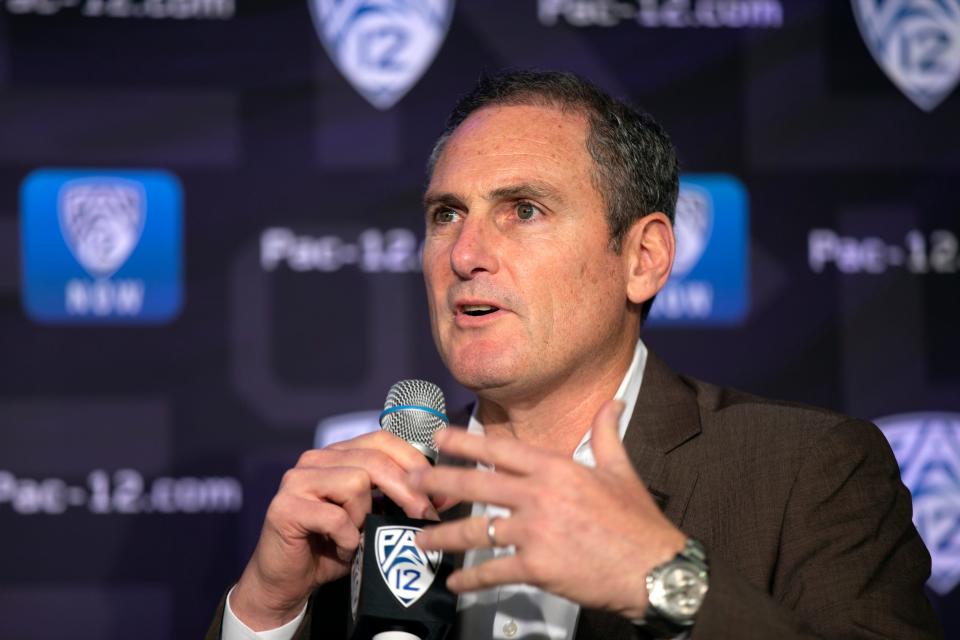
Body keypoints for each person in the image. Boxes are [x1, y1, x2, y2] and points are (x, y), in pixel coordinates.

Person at [206, 70, 941, 640]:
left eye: (523, 210)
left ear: (644, 257)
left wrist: (666, 581)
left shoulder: (805, 470)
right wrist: (266, 608)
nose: (465, 254)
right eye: (446, 214)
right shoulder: (379, 500)